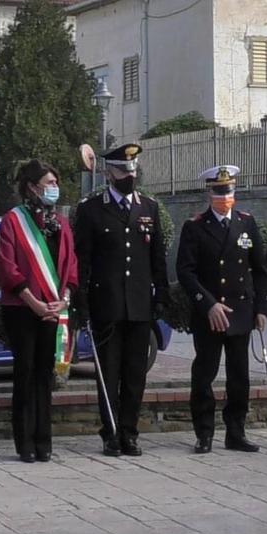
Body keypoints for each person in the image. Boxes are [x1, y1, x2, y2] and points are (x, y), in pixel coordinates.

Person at [72, 143, 168, 457]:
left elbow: (157, 259)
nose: (130, 175)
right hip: (107, 305)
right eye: (123, 170)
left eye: (133, 169)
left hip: (139, 305)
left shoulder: (149, 207)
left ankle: (130, 432)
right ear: (109, 172)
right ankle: (110, 432)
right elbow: (82, 260)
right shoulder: (91, 209)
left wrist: (161, 295)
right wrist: (80, 301)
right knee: (108, 373)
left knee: (134, 375)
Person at [174, 165, 267, 455]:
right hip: (210, 313)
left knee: (239, 375)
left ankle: (236, 431)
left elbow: (260, 270)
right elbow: (186, 272)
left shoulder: (246, 223)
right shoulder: (195, 226)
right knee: (205, 373)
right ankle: (204, 433)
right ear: (209, 192)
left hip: (240, 311)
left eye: (228, 190)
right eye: (218, 191)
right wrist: (209, 304)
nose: (224, 196)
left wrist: (262, 308)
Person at [0, 159, 78, 464]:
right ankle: (25, 442)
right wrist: (34, 302)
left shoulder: (62, 223)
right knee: (26, 373)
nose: (54, 189)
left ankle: (44, 440)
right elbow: (8, 268)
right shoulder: (13, 221)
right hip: (22, 308)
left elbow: (71, 265)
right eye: (49, 183)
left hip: (54, 308)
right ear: (32, 187)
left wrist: (65, 297)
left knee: (46, 375)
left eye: (56, 183)